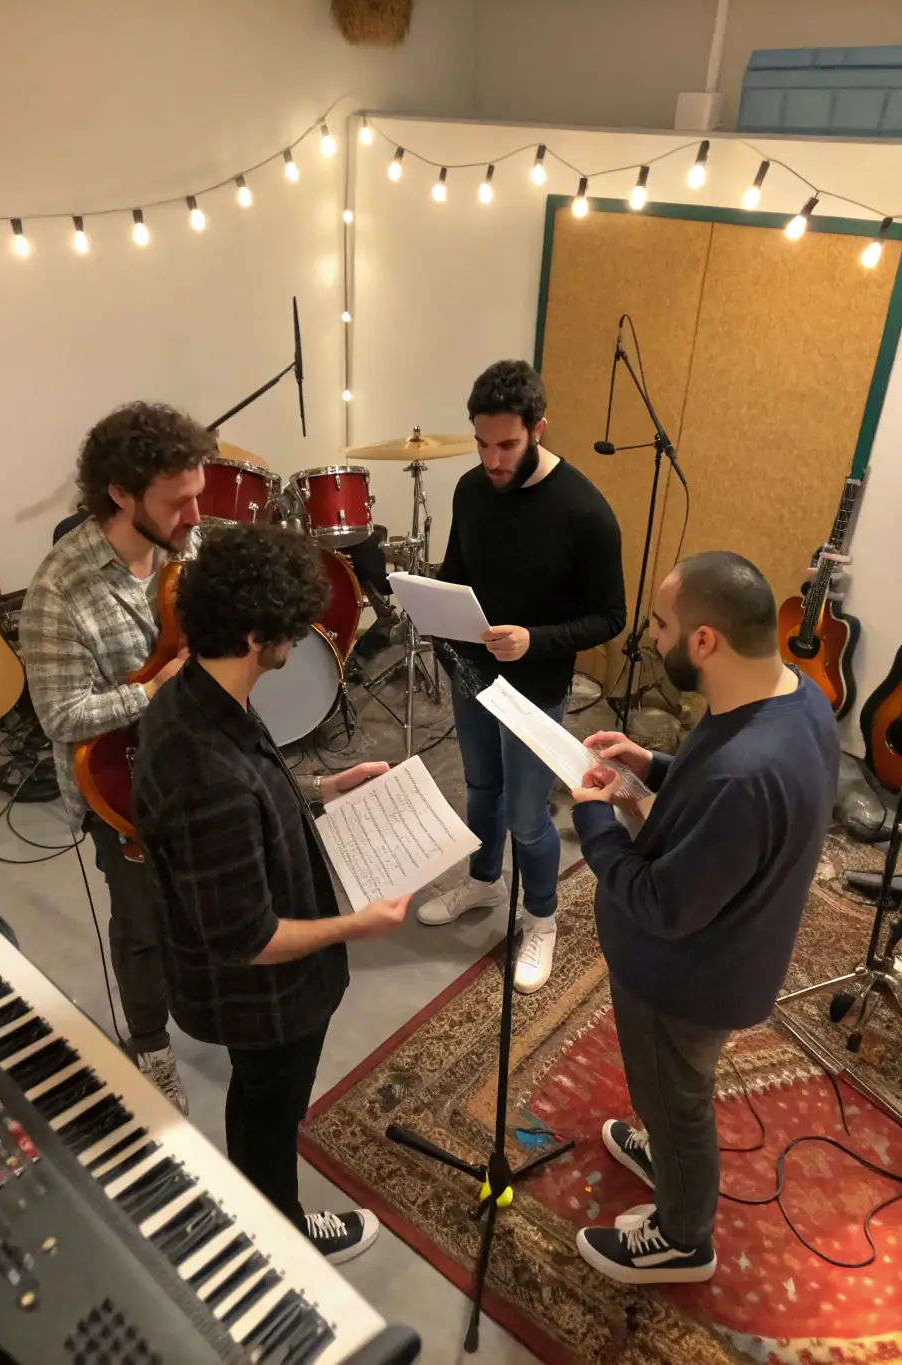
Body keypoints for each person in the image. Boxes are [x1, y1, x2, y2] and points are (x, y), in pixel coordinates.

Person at [131, 524, 410, 1264]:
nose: (304, 638)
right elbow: (247, 938)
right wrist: (356, 923)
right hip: (265, 995)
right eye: (292, 627)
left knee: (258, 1099)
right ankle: (279, 1236)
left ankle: (266, 1213)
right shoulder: (206, 769)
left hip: (260, 985)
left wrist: (322, 787)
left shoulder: (199, 692)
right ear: (257, 634)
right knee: (272, 1100)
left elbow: (254, 797)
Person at [569, 551, 838, 1285]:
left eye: (661, 624)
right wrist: (651, 765)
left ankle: (684, 1236)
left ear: (706, 640)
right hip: (731, 943)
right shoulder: (796, 697)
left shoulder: (748, 775)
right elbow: (711, 771)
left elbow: (663, 903)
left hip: (685, 977)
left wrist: (594, 820)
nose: (651, 637)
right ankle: (668, 1150)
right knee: (675, 1096)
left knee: (677, 1097)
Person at [21, 401, 212, 1115]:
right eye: (179, 500)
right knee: (142, 925)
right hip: (120, 787)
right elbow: (61, 714)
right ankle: (151, 1044)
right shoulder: (57, 593)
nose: (196, 514)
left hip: (196, 762)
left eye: (197, 493)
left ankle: (202, 997)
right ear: (122, 495)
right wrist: (155, 690)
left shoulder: (182, 548)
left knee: (199, 899)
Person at [420, 359, 626, 994]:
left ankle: (542, 917)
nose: (492, 460)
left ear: (540, 428)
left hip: (535, 688)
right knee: (482, 791)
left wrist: (535, 640)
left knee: (529, 816)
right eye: (482, 444)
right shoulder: (470, 491)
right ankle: (484, 883)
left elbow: (610, 616)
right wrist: (431, 601)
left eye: (506, 445)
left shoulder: (585, 512)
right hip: (472, 676)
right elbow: (458, 568)